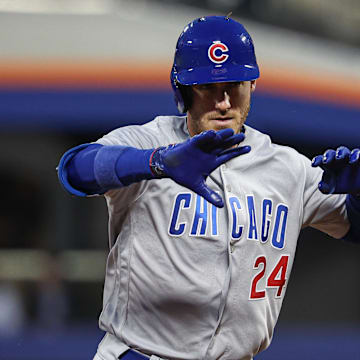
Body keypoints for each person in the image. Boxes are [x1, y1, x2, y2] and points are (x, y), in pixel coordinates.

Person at [57, 16, 360, 360]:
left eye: (235, 85)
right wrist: (154, 163)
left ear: (253, 85)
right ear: (181, 90)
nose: (223, 102)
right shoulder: (149, 141)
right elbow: (74, 170)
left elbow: (353, 226)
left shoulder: (289, 168)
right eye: (206, 87)